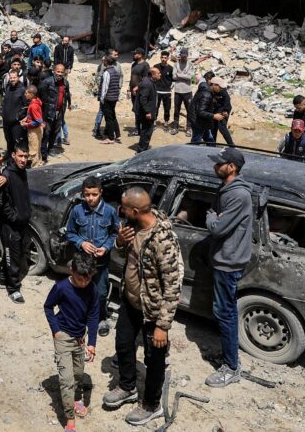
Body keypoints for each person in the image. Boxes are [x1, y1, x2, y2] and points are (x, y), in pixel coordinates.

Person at [102, 187, 182, 425]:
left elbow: (173, 286)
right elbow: (125, 256)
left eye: (124, 208)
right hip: (130, 301)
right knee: (123, 344)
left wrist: (163, 326)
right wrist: (119, 242)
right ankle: (127, 387)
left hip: (153, 311)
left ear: (136, 211)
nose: (120, 210)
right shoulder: (133, 226)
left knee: (154, 359)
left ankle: (151, 404)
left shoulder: (162, 240)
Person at [203, 147, 253, 388]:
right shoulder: (226, 189)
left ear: (231, 167)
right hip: (224, 258)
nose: (215, 166)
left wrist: (211, 215)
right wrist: (215, 214)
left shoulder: (238, 195)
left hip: (228, 262)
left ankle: (231, 367)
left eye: (219, 163)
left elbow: (217, 227)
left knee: (226, 312)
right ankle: (227, 355)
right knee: (223, 310)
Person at [44, 253, 99, 432]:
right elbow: (48, 307)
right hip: (63, 338)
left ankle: (76, 398)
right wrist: (56, 330)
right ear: (72, 271)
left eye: (88, 279)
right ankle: (69, 418)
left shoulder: (93, 289)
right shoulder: (61, 287)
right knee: (66, 380)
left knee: (78, 373)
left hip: (80, 339)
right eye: (80, 279)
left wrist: (92, 342)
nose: (84, 283)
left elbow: (93, 316)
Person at [63, 175, 119, 337]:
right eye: (87, 194)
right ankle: (80, 317)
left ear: (101, 192)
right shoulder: (77, 211)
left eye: (94, 194)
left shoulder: (109, 211)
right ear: (83, 193)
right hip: (82, 262)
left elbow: (114, 234)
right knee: (80, 290)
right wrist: (82, 243)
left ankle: (100, 319)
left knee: (100, 293)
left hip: (101, 263)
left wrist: (106, 248)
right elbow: (70, 233)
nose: (90, 198)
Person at [0, 144, 31, 303]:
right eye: (20, 156)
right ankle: (13, 289)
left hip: (21, 223)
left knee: (12, 254)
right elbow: (1, 203)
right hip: (11, 226)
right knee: (13, 257)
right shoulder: (7, 175)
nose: (23, 160)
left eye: (25, 156)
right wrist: (15, 218)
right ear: (13, 155)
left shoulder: (22, 172)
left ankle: (4, 278)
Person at [39, 63, 71, 163]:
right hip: (48, 112)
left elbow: (67, 94)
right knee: (46, 134)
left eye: (62, 72)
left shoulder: (65, 83)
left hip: (59, 112)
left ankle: (49, 150)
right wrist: (42, 115)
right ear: (54, 71)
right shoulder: (47, 82)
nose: (60, 74)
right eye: (58, 71)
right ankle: (43, 155)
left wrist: (69, 103)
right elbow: (40, 97)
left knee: (55, 132)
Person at [192, 76, 227, 145]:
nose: (221, 89)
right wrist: (214, 116)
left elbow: (207, 106)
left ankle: (212, 149)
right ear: (214, 85)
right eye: (220, 87)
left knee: (210, 140)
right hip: (197, 121)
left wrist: (220, 113)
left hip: (203, 120)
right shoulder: (206, 94)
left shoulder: (210, 92)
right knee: (196, 141)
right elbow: (200, 111)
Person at [98, 53, 123, 145]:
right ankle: (118, 135)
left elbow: (105, 87)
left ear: (106, 62)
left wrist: (102, 99)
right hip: (114, 98)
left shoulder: (107, 73)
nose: (103, 62)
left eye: (104, 61)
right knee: (113, 116)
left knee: (108, 118)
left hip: (108, 98)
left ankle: (111, 138)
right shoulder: (115, 71)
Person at [2, 69, 27, 152]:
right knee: (8, 140)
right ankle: (9, 155)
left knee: (17, 142)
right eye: (11, 78)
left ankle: (17, 157)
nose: (12, 79)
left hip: (16, 123)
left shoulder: (22, 90)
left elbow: (26, 106)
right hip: (6, 121)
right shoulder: (8, 87)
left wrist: (18, 117)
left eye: (14, 78)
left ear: (18, 77)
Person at [171, 49, 194, 137]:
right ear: (180, 55)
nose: (183, 58)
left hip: (187, 91)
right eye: (182, 56)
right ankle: (175, 127)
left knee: (189, 110)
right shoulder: (176, 64)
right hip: (178, 91)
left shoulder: (190, 64)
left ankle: (189, 128)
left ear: (187, 55)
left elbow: (190, 77)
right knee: (176, 110)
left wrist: (179, 74)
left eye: (185, 56)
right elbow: (173, 77)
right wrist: (184, 75)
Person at [135, 67, 158, 153]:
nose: (160, 75)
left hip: (148, 111)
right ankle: (141, 151)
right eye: (158, 73)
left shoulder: (150, 82)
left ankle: (143, 149)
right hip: (146, 112)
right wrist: (147, 112)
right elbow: (143, 99)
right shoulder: (147, 83)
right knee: (146, 131)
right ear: (152, 74)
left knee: (147, 131)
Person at [128, 49, 149, 137]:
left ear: (140, 55)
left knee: (140, 110)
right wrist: (129, 88)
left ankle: (142, 129)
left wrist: (137, 87)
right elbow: (132, 77)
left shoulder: (145, 65)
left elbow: (146, 79)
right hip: (133, 91)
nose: (134, 55)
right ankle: (137, 129)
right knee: (136, 110)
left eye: (135, 54)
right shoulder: (134, 64)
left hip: (140, 91)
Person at [23, 85, 44, 168]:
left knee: (33, 150)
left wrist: (26, 124)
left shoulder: (33, 106)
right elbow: (31, 115)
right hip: (38, 129)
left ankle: (34, 167)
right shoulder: (36, 101)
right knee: (37, 148)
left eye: (26, 93)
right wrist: (25, 119)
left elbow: (38, 120)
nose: (25, 95)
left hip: (34, 131)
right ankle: (39, 163)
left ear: (31, 95)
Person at [152, 51, 173, 130]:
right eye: (162, 57)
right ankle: (154, 123)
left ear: (168, 58)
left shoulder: (171, 68)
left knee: (167, 108)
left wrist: (170, 87)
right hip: (157, 91)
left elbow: (173, 79)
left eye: (165, 58)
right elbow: (152, 77)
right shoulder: (156, 66)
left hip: (167, 92)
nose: (163, 59)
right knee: (155, 107)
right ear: (160, 58)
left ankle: (166, 123)